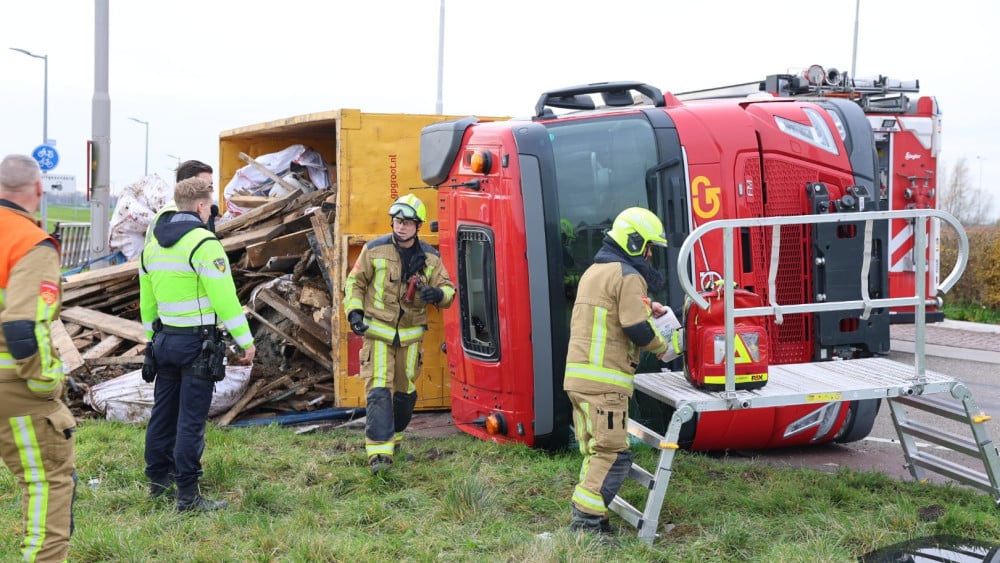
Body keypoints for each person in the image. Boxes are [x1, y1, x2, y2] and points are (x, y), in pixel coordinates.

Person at [563, 207, 683, 537]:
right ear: (634, 242)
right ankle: (586, 526)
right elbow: (636, 328)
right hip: (605, 384)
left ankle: (590, 517)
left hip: (580, 380)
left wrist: (648, 310)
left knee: (595, 451)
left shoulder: (597, 270)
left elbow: (616, 315)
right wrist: (667, 347)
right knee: (615, 455)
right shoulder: (628, 275)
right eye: (647, 246)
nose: (648, 254)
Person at [139, 176, 256, 511]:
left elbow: (146, 303)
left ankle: (158, 483)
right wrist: (245, 341)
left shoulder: (153, 245)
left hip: (164, 342)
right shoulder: (204, 244)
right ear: (202, 206)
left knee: (162, 416)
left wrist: (152, 341)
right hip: (197, 345)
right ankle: (188, 496)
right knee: (190, 420)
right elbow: (225, 300)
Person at [343, 194, 455, 474]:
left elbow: (450, 291)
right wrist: (354, 312)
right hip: (378, 333)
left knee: (405, 394)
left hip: (410, 337)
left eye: (407, 222)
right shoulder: (374, 250)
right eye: (397, 221)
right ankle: (379, 454)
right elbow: (354, 283)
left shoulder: (430, 257)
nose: (401, 226)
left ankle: (396, 438)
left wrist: (436, 294)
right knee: (379, 389)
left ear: (418, 226)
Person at [0, 154, 77, 561]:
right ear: (38, 190)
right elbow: (22, 327)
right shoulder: (29, 241)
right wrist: (47, 383)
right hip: (13, 390)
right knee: (47, 483)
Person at [145, 159, 214, 245]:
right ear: (188, 184)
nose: (211, 190)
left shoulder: (187, 210)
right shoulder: (175, 213)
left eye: (211, 185)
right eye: (205, 184)